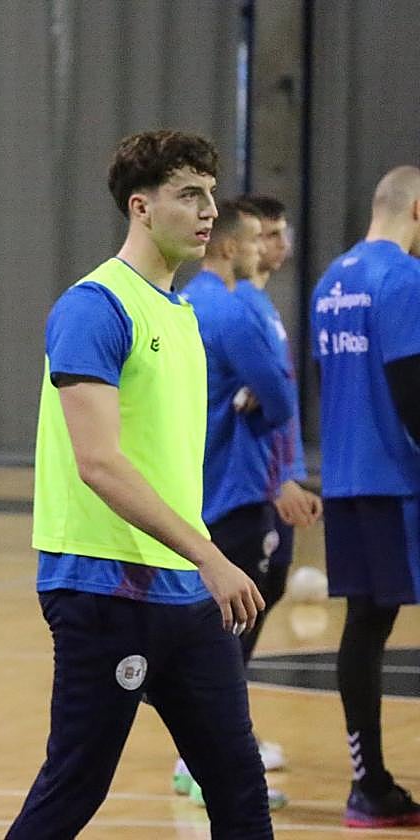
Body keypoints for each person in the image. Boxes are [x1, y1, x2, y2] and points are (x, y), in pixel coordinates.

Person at [12, 130, 269, 839]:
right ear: (141, 206)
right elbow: (98, 463)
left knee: (240, 789)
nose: (209, 209)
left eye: (210, 194)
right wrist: (211, 554)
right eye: (189, 194)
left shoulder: (180, 314)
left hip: (184, 589)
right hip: (104, 586)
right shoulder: (95, 306)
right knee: (75, 787)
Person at [176, 197, 313, 809]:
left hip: (199, 486)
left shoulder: (181, 304)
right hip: (235, 485)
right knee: (225, 627)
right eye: (258, 238)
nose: (266, 248)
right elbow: (280, 400)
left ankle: (212, 754)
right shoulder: (234, 310)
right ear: (229, 246)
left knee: (228, 618)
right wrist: (264, 400)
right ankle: (205, 761)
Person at [310, 165, 420, 829]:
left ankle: (368, 784)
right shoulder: (403, 278)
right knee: (372, 626)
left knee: (366, 626)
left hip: (346, 477)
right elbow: (411, 390)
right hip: (398, 481)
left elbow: (328, 382)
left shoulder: (330, 280)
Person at [236, 194, 322, 682]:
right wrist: (277, 481)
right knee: (241, 597)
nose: (279, 244)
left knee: (269, 586)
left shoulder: (264, 307)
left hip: (274, 476)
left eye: (281, 233)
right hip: (246, 484)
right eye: (266, 234)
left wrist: (291, 472)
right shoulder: (233, 310)